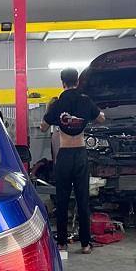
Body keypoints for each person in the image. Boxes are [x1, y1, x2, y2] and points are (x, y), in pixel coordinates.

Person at [39, 67, 105, 254]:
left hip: (65, 155)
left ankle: (62, 243)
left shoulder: (57, 104)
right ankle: (85, 244)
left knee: (62, 200)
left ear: (63, 83)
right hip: (81, 154)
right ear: (77, 82)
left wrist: (49, 109)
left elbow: (43, 127)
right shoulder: (85, 101)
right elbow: (101, 119)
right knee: (83, 200)